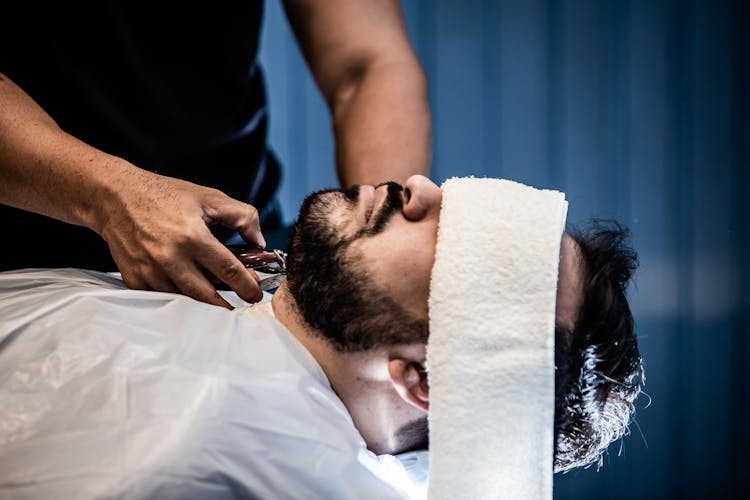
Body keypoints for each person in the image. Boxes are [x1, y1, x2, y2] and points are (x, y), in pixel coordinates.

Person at [0, 175, 644, 498]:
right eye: (454, 197)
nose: (416, 186)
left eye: (463, 246)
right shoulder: (275, 317)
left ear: (421, 379)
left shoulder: (197, 457)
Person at [0, 0, 430, 309]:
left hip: (239, 244)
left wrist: (376, 239)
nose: (424, 191)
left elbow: (366, 63)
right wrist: (109, 196)